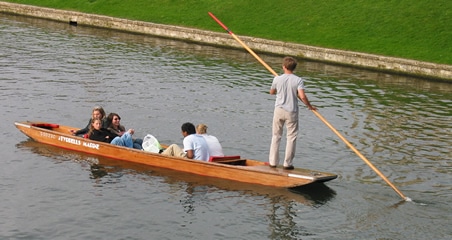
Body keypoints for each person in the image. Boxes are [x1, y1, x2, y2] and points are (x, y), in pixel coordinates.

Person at [269, 56, 317, 170]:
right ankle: (287, 164)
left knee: (276, 136)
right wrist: (310, 106)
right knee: (291, 137)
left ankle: (273, 162)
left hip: (279, 110)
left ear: (284, 67)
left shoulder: (277, 79)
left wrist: (277, 85)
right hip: (292, 112)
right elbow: (302, 96)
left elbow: (271, 92)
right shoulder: (298, 80)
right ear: (294, 68)